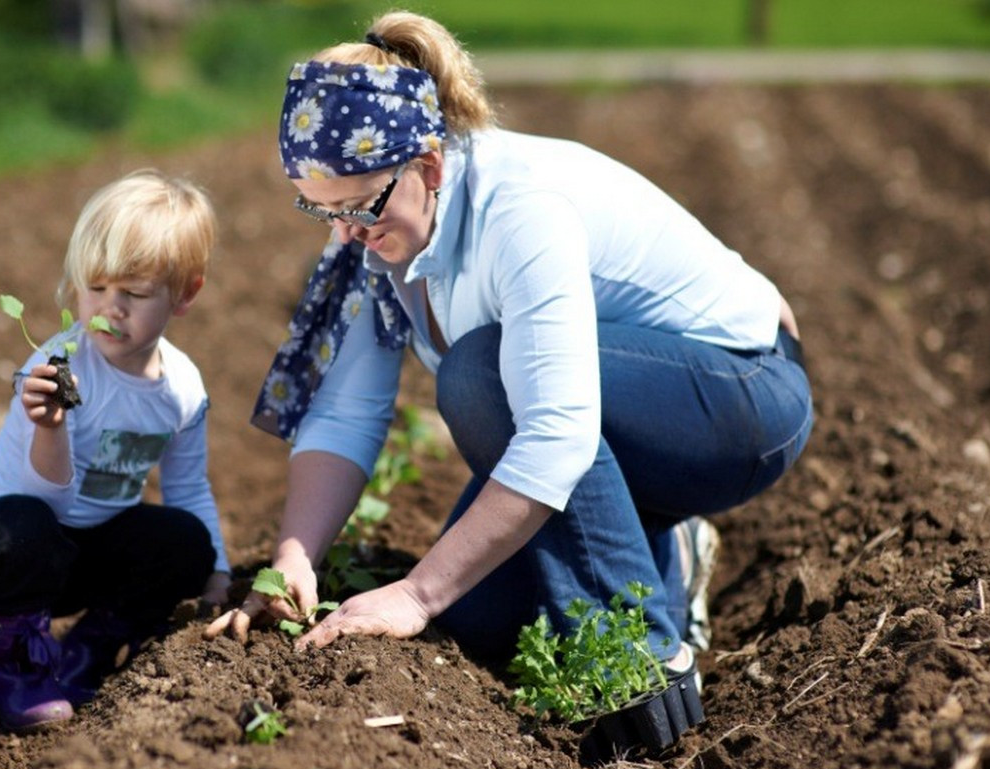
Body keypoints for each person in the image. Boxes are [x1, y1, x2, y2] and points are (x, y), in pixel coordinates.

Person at [205, 11, 813, 687]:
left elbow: (556, 433)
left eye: (358, 205)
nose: (344, 233)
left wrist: (414, 593)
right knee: (480, 614)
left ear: (428, 166)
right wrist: (295, 559)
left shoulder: (520, 211)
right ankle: (665, 548)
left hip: (742, 396)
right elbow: (346, 412)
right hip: (630, 417)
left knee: (480, 375)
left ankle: (645, 657)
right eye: (321, 210)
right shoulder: (372, 232)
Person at [0, 169, 230, 731]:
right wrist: (50, 426)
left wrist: (218, 570)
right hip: (10, 542)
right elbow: (43, 495)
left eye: (134, 294)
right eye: (95, 288)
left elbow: (188, 486)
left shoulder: (181, 390)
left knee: (186, 546)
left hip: (91, 549)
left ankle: (90, 650)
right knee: (20, 529)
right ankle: (20, 662)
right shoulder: (57, 370)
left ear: (185, 294)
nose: (110, 308)